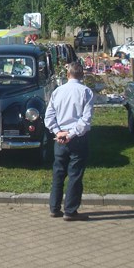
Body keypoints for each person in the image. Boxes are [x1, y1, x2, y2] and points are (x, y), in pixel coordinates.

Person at [44, 62, 95, 221]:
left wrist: (58, 132)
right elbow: (85, 120)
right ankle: (70, 210)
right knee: (75, 174)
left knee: (58, 173)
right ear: (82, 75)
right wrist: (71, 134)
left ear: (68, 75)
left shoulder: (58, 91)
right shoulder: (86, 92)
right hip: (77, 138)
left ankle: (54, 207)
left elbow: (49, 117)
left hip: (60, 137)